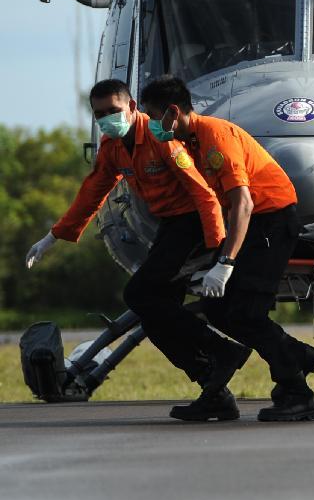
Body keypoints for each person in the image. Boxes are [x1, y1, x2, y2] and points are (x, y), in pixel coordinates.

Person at [25, 79, 252, 421]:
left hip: (189, 224)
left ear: (132, 108)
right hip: (169, 227)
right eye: (99, 114)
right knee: (156, 317)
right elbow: (92, 193)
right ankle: (214, 387)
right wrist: (52, 237)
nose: (106, 119)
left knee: (139, 294)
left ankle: (221, 349)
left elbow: (204, 194)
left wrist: (217, 253)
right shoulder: (113, 147)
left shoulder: (162, 139)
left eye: (113, 111)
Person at [141, 75, 314, 422]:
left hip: (270, 221)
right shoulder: (191, 142)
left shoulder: (213, 136)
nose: (150, 125)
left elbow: (243, 204)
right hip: (257, 226)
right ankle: (297, 356)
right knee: (218, 310)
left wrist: (225, 262)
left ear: (173, 112)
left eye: (152, 116)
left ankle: (297, 392)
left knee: (245, 313)